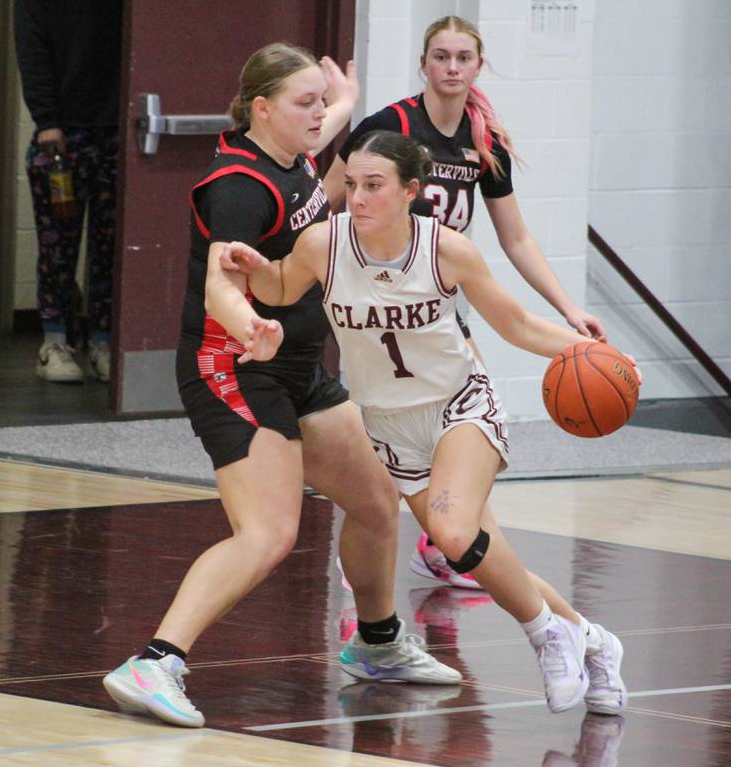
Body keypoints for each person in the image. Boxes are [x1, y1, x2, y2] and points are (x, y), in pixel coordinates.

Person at [102, 45, 462, 730]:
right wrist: (250, 325)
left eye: (321, 103)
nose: (319, 115)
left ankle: (378, 644)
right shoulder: (239, 186)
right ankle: (153, 662)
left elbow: (326, 128)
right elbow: (221, 284)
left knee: (376, 501)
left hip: (297, 368)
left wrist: (343, 98)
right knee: (267, 532)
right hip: (234, 367)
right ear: (262, 109)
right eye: (306, 103)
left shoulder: (291, 153)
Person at [221, 130, 633, 716]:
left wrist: (592, 353)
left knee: (451, 531)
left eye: (374, 186)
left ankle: (548, 636)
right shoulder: (324, 243)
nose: (357, 197)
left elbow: (516, 325)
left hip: (458, 404)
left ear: (410, 191)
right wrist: (254, 268)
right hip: (389, 425)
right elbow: (282, 286)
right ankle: (592, 641)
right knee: (482, 554)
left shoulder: (446, 250)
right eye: (352, 184)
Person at [325, 15, 606, 590]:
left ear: (479, 66)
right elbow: (326, 198)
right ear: (423, 64)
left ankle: (442, 544)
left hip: (435, 295)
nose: (452, 68)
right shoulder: (388, 128)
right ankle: (373, 559)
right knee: (391, 442)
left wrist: (567, 308)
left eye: (463, 58)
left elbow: (516, 237)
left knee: (469, 420)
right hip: (379, 294)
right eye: (441, 56)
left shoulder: (484, 140)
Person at [14, 0, 122, 383]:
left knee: (110, 247)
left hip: (116, 129)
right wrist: (46, 120)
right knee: (57, 246)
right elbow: (32, 53)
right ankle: (54, 343)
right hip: (61, 135)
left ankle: (104, 341)